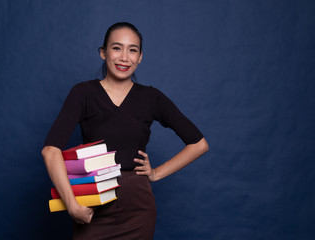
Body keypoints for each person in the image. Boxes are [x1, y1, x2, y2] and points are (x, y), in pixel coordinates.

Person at [42, 22, 209, 239]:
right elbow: (50, 151)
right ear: (103, 52)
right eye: (116, 48)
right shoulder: (83, 93)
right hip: (94, 203)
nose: (124, 57)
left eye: (132, 50)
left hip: (137, 208)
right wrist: (72, 205)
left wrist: (156, 173)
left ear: (140, 57)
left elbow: (199, 144)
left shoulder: (151, 98)